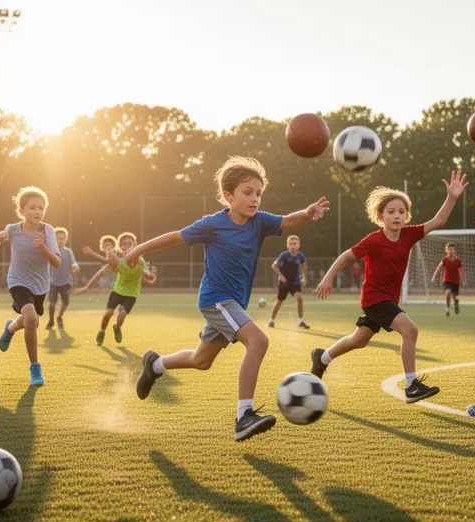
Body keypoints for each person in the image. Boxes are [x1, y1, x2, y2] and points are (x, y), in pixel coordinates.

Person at [126, 156, 329, 441]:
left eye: (259, 193)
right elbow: (174, 236)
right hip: (216, 299)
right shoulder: (212, 224)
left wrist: (308, 212)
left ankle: (155, 365)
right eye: (248, 193)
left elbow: (289, 220)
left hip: (233, 303)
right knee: (259, 340)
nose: (255, 199)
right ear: (228, 195)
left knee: (201, 360)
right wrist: (137, 251)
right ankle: (243, 416)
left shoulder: (259, 222)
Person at [311, 171, 469, 402]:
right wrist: (327, 279)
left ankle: (322, 357)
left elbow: (439, 221)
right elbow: (346, 256)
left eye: (401, 212)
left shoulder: (408, 235)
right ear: (380, 216)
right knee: (410, 330)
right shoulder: (374, 240)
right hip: (375, 299)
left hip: (388, 299)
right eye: (391, 211)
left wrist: (452, 197)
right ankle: (411, 385)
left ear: (407, 216)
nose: (397, 215)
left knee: (359, 340)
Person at [0, 187, 62, 386]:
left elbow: (56, 263)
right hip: (17, 280)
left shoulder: (47, 231)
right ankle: (35, 368)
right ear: (22, 211)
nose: (38, 211)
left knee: (32, 322)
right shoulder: (13, 230)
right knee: (30, 318)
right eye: (33, 207)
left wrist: (43, 246)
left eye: (41, 208)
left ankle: (10, 327)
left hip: (40, 285)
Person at [75, 232, 157, 345]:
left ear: (134, 246)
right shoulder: (119, 262)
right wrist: (86, 287)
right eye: (124, 244)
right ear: (120, 246)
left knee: (122, 314)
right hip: (117, 291)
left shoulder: (140, 260)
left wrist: (151, 274)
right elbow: (100, 273)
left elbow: (148, 275)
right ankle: (102, 331)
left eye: (130, 244)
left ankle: (117, 327)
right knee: (108, 313)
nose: (127, 246)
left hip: (131, 293)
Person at [267, 235, 309, 329]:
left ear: (298, 245)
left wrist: (304, 277)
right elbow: (274, 266)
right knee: (279, 302)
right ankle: (272, 320)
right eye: (290, 244)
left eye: (294, 244)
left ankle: (300, 321)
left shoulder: (300, 256)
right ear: (287, 245)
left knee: (299, 298)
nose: (292, 246)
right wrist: (281, 276)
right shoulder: (284, 255)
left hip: (295, 282)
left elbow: (303, 266)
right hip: (284, 283)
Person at [46, 227, 80, 331]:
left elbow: (73, 262)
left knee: (66, 301)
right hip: (53, 282)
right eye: (58, 238)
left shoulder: (68, 251)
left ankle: (59, 317)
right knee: (52, 304)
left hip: (66, 282)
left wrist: (75, 266)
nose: (60, 241)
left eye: (62, 238)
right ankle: (51, 320)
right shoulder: (51, 251)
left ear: (66, 239)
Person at [429, 242, 466, 316]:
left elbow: (462, 271)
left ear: (454, 250)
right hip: (447, 280)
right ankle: (447, 309)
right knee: (448, 292)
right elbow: (438, 268)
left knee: (455, 297)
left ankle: (456, 303)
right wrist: (433, 277)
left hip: (456, 281)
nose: (451, 251)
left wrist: (465, 281)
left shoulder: (458, 260)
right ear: (446, 251)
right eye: (449, 249)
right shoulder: (444, 259)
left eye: (452, 249)